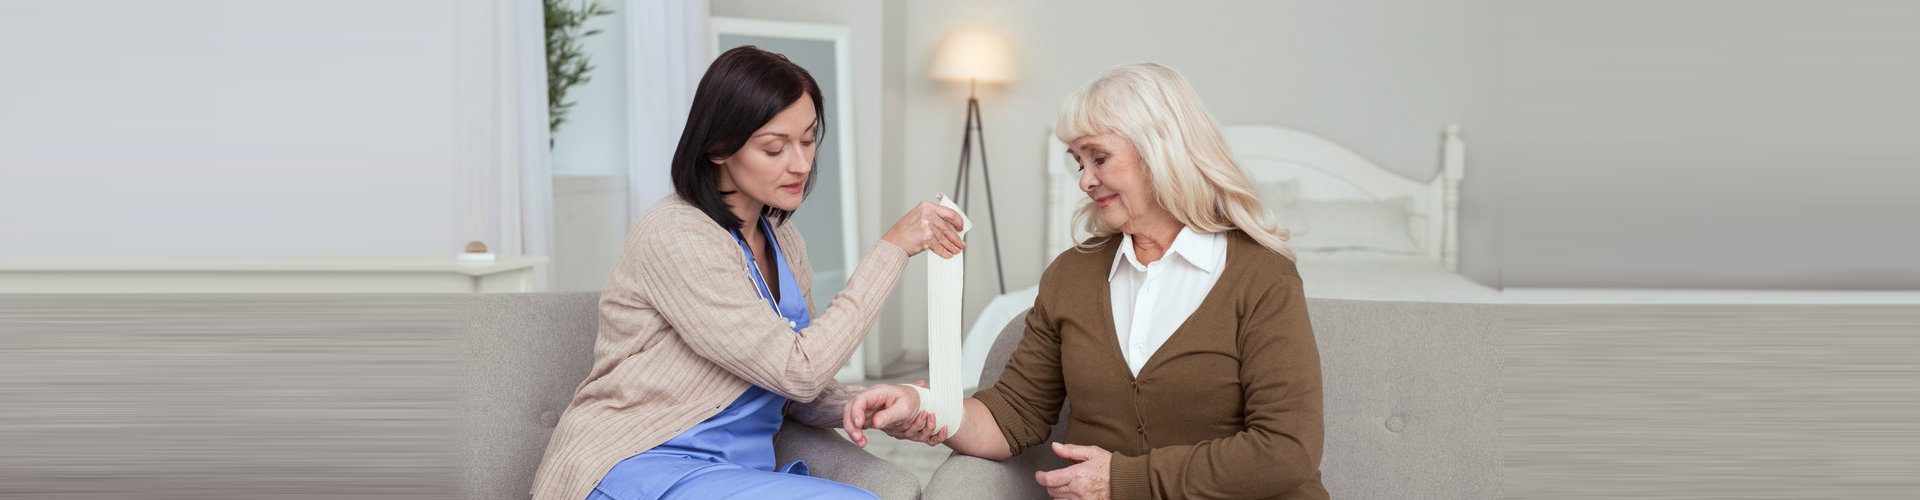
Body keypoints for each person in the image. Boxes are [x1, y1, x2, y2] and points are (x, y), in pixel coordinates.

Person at [846, 63, 1328, 500]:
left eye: (1099, 158)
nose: (1084, 181)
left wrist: (1122, 480)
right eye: (1079, 162)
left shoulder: (1262, 275)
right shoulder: (1071, 275)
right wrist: (925, 405)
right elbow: (1013, 413)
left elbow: (1286, 450)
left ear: (1161, 150)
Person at [529, 45, 967, 500]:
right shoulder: (675, 235)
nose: (800, 163)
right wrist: (892, 249)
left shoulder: (782, 239)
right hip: (639, 465)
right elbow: (798, 370)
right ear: (719, 147)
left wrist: (863, 406)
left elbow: (796, 390)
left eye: (809, 139)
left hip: (730, 473)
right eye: (774, 148)